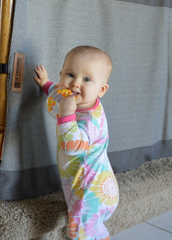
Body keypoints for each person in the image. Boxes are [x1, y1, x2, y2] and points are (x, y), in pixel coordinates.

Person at [34, 46, 119, 240]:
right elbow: (60, 92)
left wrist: (67, 114)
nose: (75, 84)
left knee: (78, 234)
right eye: (70, 74)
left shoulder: (90, 120)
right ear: (61, 74)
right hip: (94, 187)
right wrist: (46, 84)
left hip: (90, 192)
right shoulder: (77, 98)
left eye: (87, 79)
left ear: (102, 90)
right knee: (93, 231)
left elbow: (71, 147)